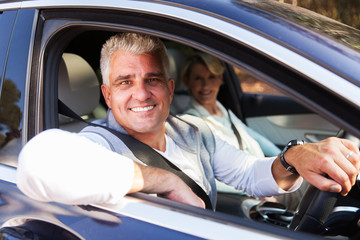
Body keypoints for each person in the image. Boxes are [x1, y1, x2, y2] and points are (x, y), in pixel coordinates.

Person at [17, 33, 360, 210]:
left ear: (168, 89)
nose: (141, 94)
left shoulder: (193, 132)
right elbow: (36, 163)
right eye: (125, 82)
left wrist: (293, 157)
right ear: (107, 95)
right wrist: (161, 180)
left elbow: (248, 174)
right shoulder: (98, 143)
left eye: (152, 80)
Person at [181, 52, 305, 209]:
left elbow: (258, 138)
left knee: (311, 182)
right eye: (198, 78)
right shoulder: (192, 124)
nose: (205, 85)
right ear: (187, 81)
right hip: (251, 191)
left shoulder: (223, 111)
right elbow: (207, 175)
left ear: (220, 79)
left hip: (265, 175)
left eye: (211, 77)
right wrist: (253, 193)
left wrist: (287, 160)